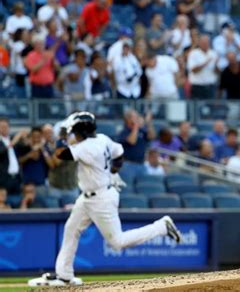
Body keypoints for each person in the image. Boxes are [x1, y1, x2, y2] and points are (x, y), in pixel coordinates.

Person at [28, 112, 181, 287]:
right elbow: (119, 153)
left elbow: (61, 154)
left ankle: (161, 227)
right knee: (71, 229)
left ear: (82, 132)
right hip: (89, 196)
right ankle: (64, 276)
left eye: (74, 132)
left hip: (100, 198)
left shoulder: (87, 146)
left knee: (117, 242)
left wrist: (62, 134)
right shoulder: (102, 138)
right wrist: (113, 171)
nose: (73, 135)